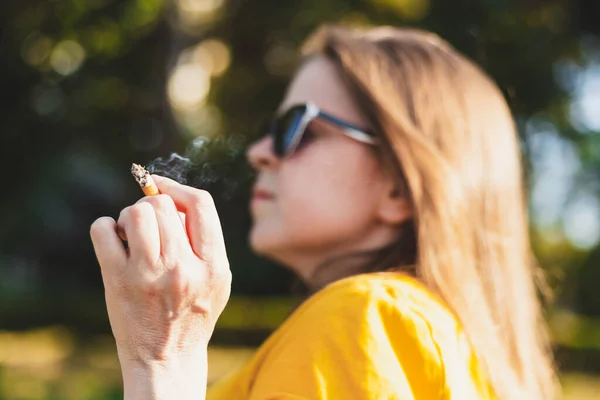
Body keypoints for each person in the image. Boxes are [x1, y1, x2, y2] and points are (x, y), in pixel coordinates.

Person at [90, 24, 559, 400]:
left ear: (399, 186)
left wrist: (163, 362)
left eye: (299, 129)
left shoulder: (364, 319)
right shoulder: (429, 337)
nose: (259, 152)